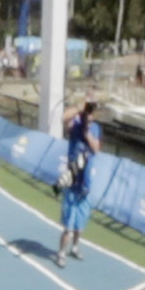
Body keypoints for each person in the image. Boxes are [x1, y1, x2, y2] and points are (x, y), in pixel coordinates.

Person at [58, 97, 102, 257]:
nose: (89, 115)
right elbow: (63, 118)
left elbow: (96, 148)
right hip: (72, 183)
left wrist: (87, 132)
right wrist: (79, 107)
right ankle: (61, 253)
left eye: (91, 113)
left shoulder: (95, 128)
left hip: (85, 185)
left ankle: (75, 248)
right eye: (88, 112)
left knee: (80, 225)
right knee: (68, 227)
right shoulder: (75, 124)